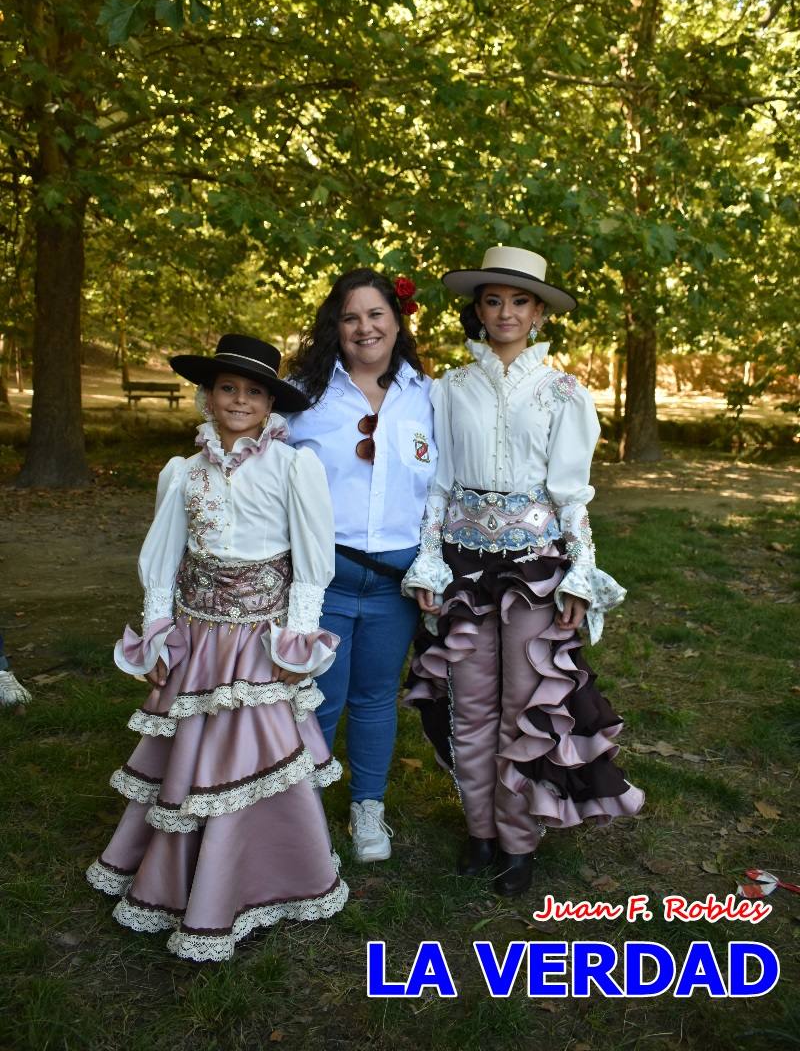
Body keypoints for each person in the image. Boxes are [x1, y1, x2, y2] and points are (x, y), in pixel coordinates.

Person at [86, 334, 348, 961]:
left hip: (259, 643)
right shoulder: (183, 473)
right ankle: (180, 875)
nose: (238, 400)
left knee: (255, 755)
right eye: (227, 388)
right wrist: (157, 636)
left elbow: (313, 564)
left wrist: (295, 641)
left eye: (252, 391)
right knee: (189, 755)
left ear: (268, 403)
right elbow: (163, 559)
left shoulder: (293, 466)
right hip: (199, 639)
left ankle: (269, 873)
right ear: (208, 397)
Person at [402, 246, 644, 898]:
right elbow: (438, 485)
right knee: (471, 703)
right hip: (462, 565)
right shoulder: (449, 390)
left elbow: (573, 496)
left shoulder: (564, 393)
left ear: (539, 314)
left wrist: (578, 576)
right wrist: (429, 558)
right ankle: (479, 831)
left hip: (535, 568)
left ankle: (518, 841)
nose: (505, 311)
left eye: (519, 300)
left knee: (522, 706)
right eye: (492, 299)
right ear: (477, 311)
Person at [287, 270, 436, 863]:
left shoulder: (427, 396)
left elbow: (442, 489)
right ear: (336, 328)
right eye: (351, 317)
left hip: (395, 584)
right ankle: (304, 816)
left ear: (398, 322)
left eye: (376, 315)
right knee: (317, 698)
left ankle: (367, 808)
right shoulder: (303, 395)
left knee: (375, 698)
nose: (364, 327)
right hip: (325, 577)